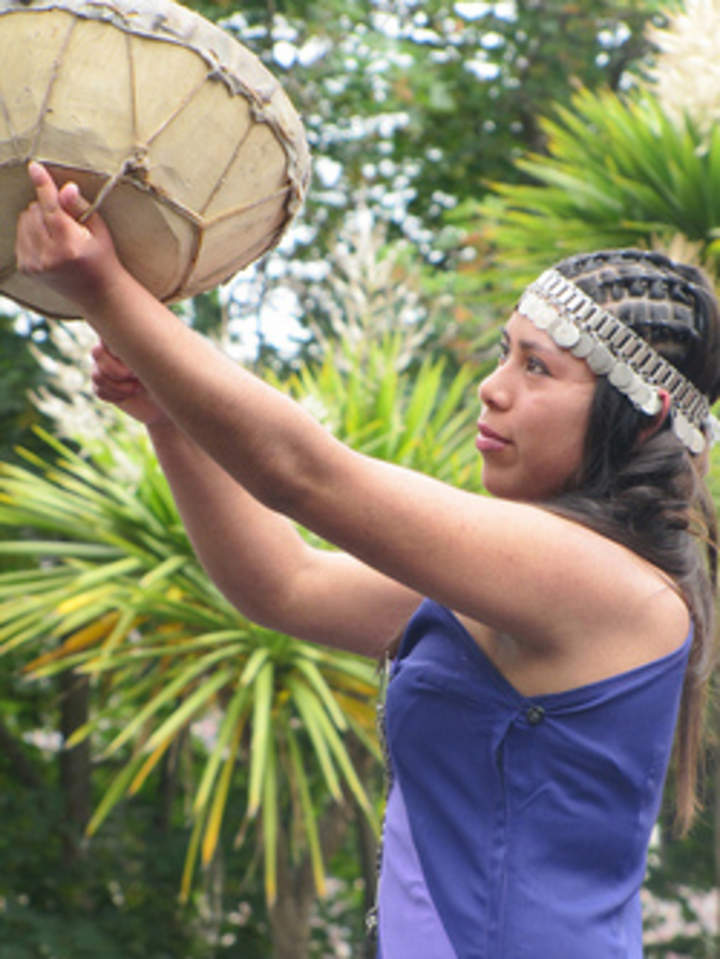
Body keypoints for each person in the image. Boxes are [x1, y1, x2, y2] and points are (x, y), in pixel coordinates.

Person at [15, 161, 720, 958]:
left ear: (638, 416)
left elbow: (304, 474)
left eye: (537, 367)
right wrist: (166, 416)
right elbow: (286, 583)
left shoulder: (603, 582)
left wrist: (107, 291)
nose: (492, 389)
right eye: (504, 353)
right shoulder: (521, 583)